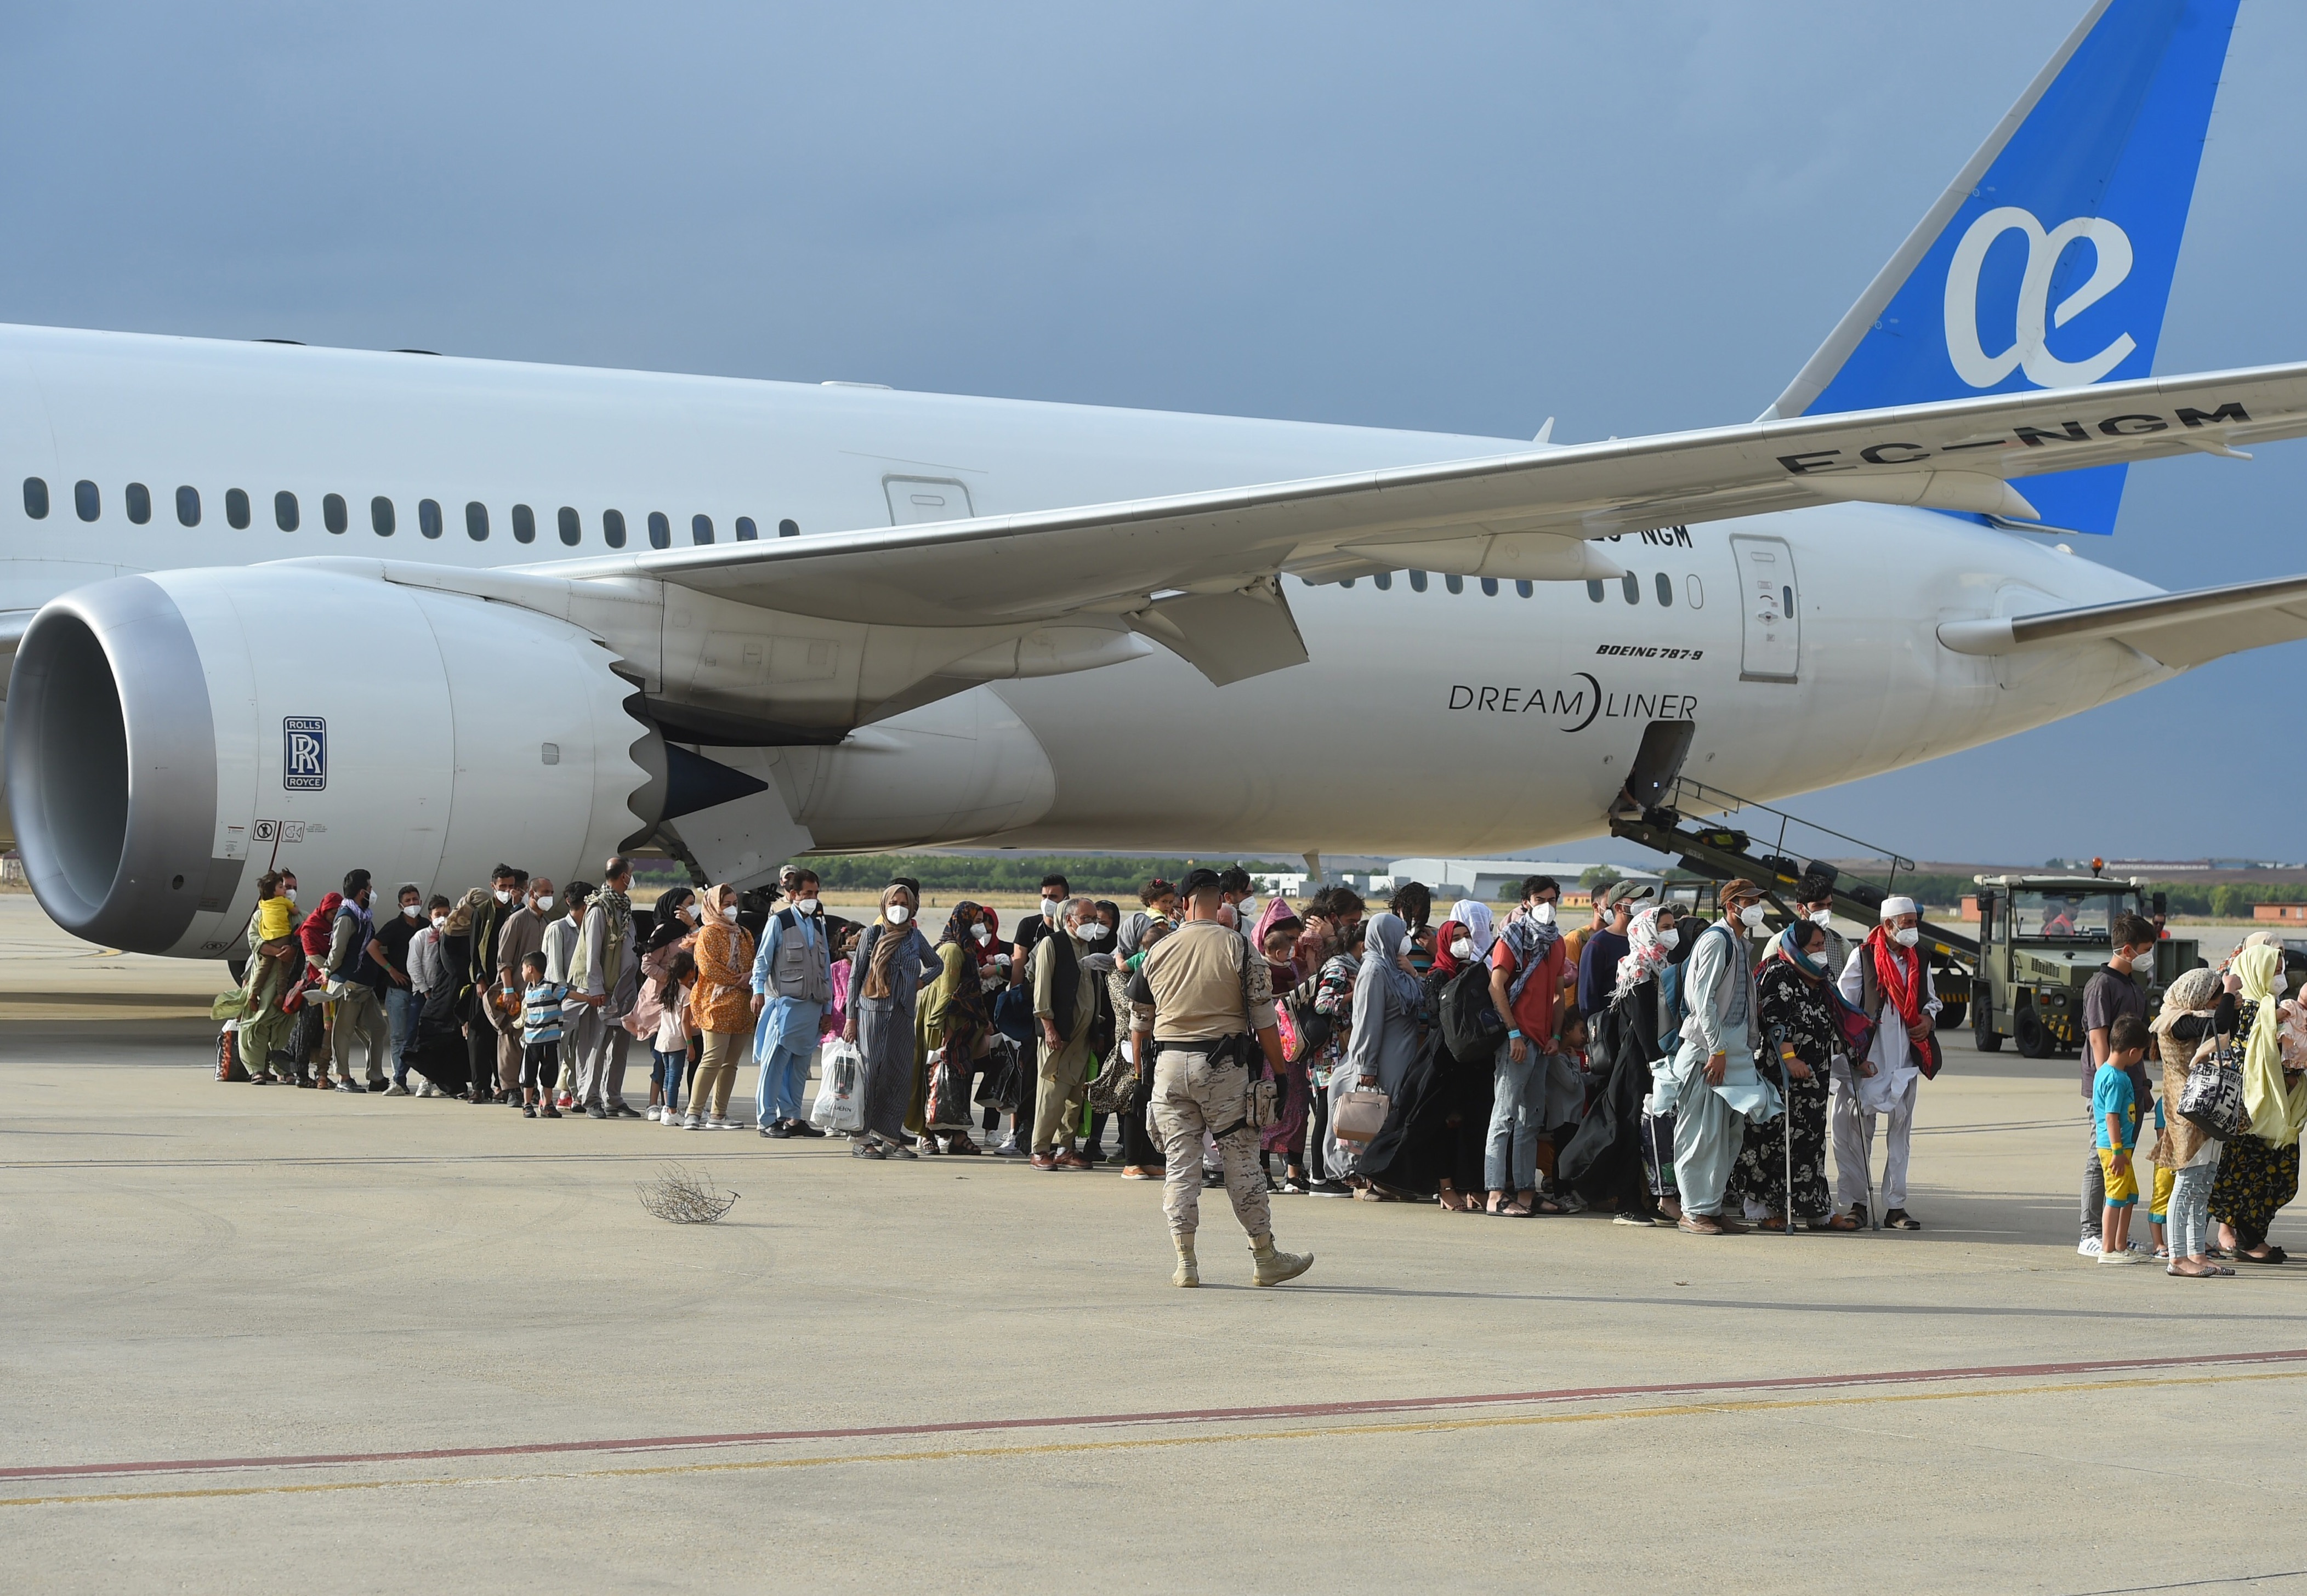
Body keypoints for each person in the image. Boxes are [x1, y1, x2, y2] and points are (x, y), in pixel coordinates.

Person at [1126, 868, 1313, 1289]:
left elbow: (1140, 1020)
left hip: (1169, 1069)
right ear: (1220, 901)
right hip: (1222, 1070)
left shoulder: (1159, 949)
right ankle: (1265, 1257)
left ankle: (1186, 1263)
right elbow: (1265, 1018)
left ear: (1185, 901)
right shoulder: (1238, 947)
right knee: (1241, 1162)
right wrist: (1279, 1074)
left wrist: (1140, 1076)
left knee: (1181, 1167)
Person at [1663, 879, 1780, 1236]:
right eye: (1750, 900)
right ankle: (1693, 1211)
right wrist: (1717, 1049)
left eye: (1758, 900)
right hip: (1709, 1053)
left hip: (1734, 1054)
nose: (1757, 906)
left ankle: (1711, 1208)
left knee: (1728, 1135)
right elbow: (1703, 1001)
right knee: (1700, 1133)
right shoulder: (1717, 940)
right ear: (1731, 906)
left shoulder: (1739, 942)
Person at [1559, 904, 1682, 1224]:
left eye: (1671, 925)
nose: (1671, 930)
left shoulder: (1661, 963)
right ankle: (1626, 1204)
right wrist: (1658, 1064)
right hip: (1638, 1064)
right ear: (1648, 930)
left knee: (1651, 1131)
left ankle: (1652, 1198)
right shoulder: (1638, 966)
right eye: (1665, 925)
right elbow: (1642, 1022)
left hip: (1654, 1060)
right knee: (1630, 1130)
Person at [1732, 919, 1857, 1231]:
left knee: (1811, 1145)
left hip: (1814, 1078)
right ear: (1797, 948)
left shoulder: (1819, 979)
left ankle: (1818, 1212)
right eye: (1815, 946)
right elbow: (1776, 1021)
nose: (1821, 952)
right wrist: (1790, 1060)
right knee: (1774, 1142)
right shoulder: (1780, 974)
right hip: (1783, 1076)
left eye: (1821, 946)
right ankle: (1764, 1211)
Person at [1834, 894, 1940, 1230]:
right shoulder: (1863, 957)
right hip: (1868, 1064)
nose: (1913, 928)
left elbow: (1932, 1000)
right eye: (1906, 923)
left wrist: (1928, 1018)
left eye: (1914, 922)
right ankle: (1856, 1204)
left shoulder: (1919, 958)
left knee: (1900, 1135)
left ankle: (1896, 1206)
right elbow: (1844, 1010)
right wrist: (1853, 1058)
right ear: (1888, 926)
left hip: (1904, 1063)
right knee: (1855, 1135)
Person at [2208, 942, 2305, 1264]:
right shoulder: (2248, 1009)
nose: (2280, 976)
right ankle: (2248, 1241)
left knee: (2280, 1177)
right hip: (2253, 1112)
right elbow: (2251, 1048)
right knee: (2255, 1176)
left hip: (2272, 1112)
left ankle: (2250, 1236)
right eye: (2274, 970)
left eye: (2280, 970)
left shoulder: (2269, 1007)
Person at [2074, 914, 2158, 1255]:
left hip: (2132, 1086)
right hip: (2110, 1086)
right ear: (2126, 950)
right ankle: (2091, 1233)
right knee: (2103, 1155)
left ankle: (2115, 1238)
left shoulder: (2131, 985)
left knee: (2122, 1157)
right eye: (2144, 950)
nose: (2148, 956)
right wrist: (2106, 1085)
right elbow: (2099, 1039)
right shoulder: (2102, 985)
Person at [1347, 911, 1444, 1204]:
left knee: (1391, 1117)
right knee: (1373, 1117)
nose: (1405, 941)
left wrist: (1414, 973)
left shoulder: (1396, 968)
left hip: (1404, 1056)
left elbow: (1420, 999)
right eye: (1400, 934)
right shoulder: (1374, 970)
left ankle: (1385, 1176)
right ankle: (1364, 1179)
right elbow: (1367, 1022)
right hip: (1384, 1057)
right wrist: (1367, 1065)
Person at [1486, 877, 1567, 1217]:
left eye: (1551, 899)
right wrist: (1514, 1033)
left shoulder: (1557, 942)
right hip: (1517, 1042)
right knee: (1504, 1116)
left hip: (1542, 1042)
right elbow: (1496, 987)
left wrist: (1557, 1036)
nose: (1546, 904)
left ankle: (1524, 1191)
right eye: (1539, 898)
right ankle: (1494, 1194)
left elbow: (1558, 993)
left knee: (1530, 1120)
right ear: (1526, 902)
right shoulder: (1512, 937)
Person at [845, 884, 941, 1158]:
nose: (898, 907)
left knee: (899, 1074)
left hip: (902, 1013)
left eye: (904, 902)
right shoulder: (873, 934)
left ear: (913, 907)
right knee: (870, 1074)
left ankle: (889, 1135)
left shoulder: (914, 937)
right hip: (872, 1013)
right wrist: (851, 1018)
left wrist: (920, 983)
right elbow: (856, 977)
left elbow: (937, 964)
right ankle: (861, 1137)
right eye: (893, 902)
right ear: (884, 905)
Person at [752, 868, 833, 1138]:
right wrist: (757, 991)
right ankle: (766, 1120)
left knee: (800, 1067)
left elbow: (826, 972)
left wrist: (828, 1010)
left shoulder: (820, 924)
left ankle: (793, 1117)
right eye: (808, 893)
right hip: (785, 1005)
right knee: (774, 1064)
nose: (813, 898)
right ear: (794, 894)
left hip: (812, 1007)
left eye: (816, 893)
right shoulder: (780, 922)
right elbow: (762, 960)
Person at [1029, 897, 1102, 1169]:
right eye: (1086, 919)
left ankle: (1065, 1147)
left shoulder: (1090, 946)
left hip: (1082, 1035)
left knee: (1075, 1096)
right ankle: (1040, 1149)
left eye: (1094, 919)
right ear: (1070, 919)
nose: (1091, 924)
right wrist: (1048, 1026)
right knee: (1052, 1094)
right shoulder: (1054, 944)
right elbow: (1042, 989)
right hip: (1059, 1033)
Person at [569, 859, 642, 1120]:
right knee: (595, 1046)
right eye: (631, 874)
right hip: (602, 992)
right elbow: (592, 954)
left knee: (619, 1047)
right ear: (624, 877)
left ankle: (614, 1097)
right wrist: (596, 988)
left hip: (623, 990)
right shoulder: (600, 909)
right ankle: (591, 1099)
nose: (633, 879)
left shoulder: (624, 907)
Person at [916, 900, 990, 1154]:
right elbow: (948, 996)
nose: (981, 926)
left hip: (963, 1028)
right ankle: (927, 1134)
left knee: (958, 1080)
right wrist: (946, 1036)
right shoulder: (952, 951)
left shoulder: (967, 949)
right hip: (944, 1027)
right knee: (933, 1080)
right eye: (977, 920)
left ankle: (958, 1135)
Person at [684, 884, 757, 1131]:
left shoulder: (744, 934)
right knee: (713, 1057)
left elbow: (753, 962)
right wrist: (741, 979)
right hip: (716, 1003)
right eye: (726, 904)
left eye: (735, 903)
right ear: (714, 905)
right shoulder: (708, 933)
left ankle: (719, 1114)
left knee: (731, 1063)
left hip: (742, 1005)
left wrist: (750, 976)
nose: (732, 908)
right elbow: (708, 968)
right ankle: (694, 1112)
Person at [324, 870, 395, 1094]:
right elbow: (338, 951)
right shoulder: (347, 917)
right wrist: (327, 972)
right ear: (361, 892)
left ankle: (375, 1076)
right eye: (370, 889)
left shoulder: (364, 916)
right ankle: (343, 1077)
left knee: (378, 1027)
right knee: (343, 1031)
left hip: (365, 984)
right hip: (348, 984)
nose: (373, 893)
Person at [2093, 1014, 2153, 1266]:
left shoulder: (2107, 1072)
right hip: (2115, 1149)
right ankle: (2108, 1249)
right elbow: (2111, 1118)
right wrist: (2117, 1151)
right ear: (2132, 1052)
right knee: (2116, 1197)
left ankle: (2120, 1244)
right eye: (2141, 1054)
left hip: (2122, 1149)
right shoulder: (2116, 1079)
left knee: (2129, 1195)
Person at [494, 875, 554, 1104]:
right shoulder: (517, 920)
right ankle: (510, 1088)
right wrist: (509, 990)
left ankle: (528, 1085)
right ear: (532, 894)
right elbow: (504, 961)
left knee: (532, 1041)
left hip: (537, 994)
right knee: (510, 1038)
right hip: (516, 990)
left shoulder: (547, 924)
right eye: (545, 892)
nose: (549, 896)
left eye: (551, 892)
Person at [468, 865, 526, 1101]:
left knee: (505, 1034)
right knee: (479, 1034)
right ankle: (478, 1087)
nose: (508, 891)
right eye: (503, 887)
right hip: (487, 984)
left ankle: (502, 1085)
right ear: (493, 886)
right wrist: (479, 978)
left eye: (512, 887)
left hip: (510, 983)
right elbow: (474, 950)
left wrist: (516, 907)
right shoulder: (483, 911)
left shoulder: (520, 913)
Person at [367, 883, 425, 1095]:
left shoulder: (427, 926)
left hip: (420, 991)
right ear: (401, 905)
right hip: (398, 990)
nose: (413, 904)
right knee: (399, 1036)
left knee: (421, 1035)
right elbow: (372, 947)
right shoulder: (394, 926)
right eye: (408, 901)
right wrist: (391, 970)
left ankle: (425, 1081)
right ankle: (399, 1079)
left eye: (416, 900)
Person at [541, 881, 592, 1110]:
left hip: (582, 999)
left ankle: (574, 1093)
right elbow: (554, 973)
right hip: (563, 1000)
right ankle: (554, 1095)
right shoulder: (557, 929)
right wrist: (569, 997)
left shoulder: (589, 929)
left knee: (579, 1048)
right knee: (559, 1050)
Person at [518, 950, 572, 1119]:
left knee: (549, 1073)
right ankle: (527, 1104)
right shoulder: (527, 991)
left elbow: (569, 994)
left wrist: (589, 999)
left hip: (550, 1040)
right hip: (531, 1041)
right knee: (529, 1073)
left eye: (523, 969)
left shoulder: (551, 988)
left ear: (530, 969)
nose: (522, 973)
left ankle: (547, 1105)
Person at [1009, 874, 1071, 985]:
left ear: (1066, 900)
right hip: (1032, 989)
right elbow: (1018, 968)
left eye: (1053, 897)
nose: (1047, 901)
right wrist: (1013, 997)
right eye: (1044, 896)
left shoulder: (1071, 929)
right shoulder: (1028, 925)